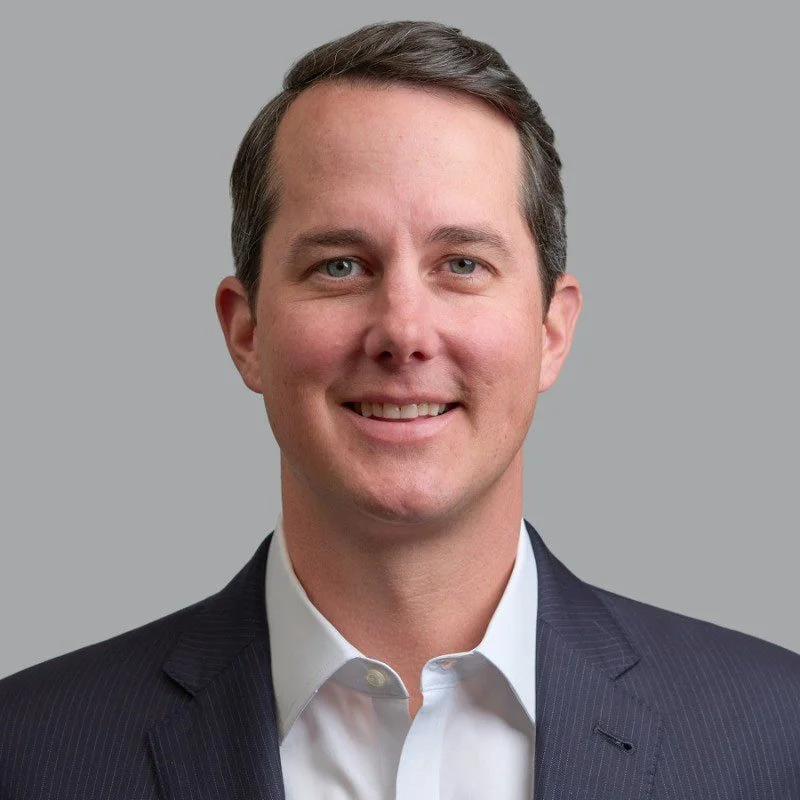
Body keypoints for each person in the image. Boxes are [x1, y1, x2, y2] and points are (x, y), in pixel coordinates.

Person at [1, 19, 798, 800]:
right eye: (340, 265)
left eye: (461, 263)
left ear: (552, 330)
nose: (404, 333)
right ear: (246, 332)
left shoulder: (774, 733)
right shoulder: (31, 752)